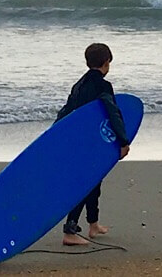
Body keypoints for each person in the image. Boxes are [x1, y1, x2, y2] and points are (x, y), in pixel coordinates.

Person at [55, 43, 130, 246]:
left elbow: (66, 111)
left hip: (76, 141)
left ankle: (93, 224)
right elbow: (113, 113)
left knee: (94, 182)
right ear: (107, 62)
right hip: (89, 144)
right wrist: (123, 140)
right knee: (86, 184)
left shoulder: (79, 85)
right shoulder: (103, 86)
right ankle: (70, 232)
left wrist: (54, 134)